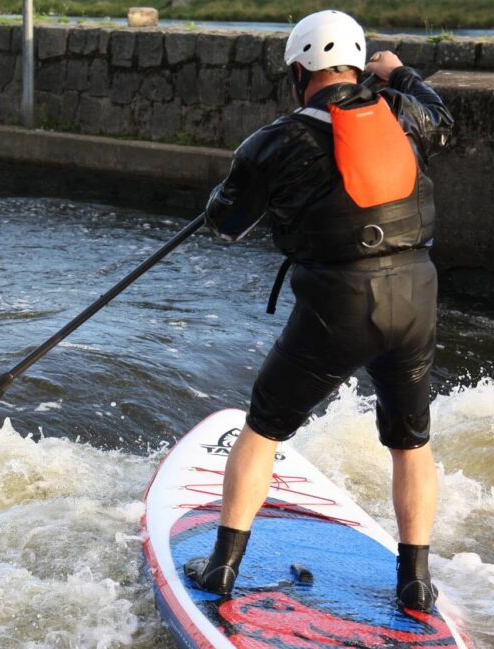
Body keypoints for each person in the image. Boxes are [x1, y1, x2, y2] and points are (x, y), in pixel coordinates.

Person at [183, 9, 454, 612]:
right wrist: (401, 74)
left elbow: (227, 224)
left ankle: (221, 569)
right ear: (358, 67)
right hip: (416, 296)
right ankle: (415, 581)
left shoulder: (274, 141)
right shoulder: (407, 115)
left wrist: (218, 198)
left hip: (339, 305)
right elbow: (443, 117)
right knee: (411, 442)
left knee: (263, 428)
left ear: (298, 71)